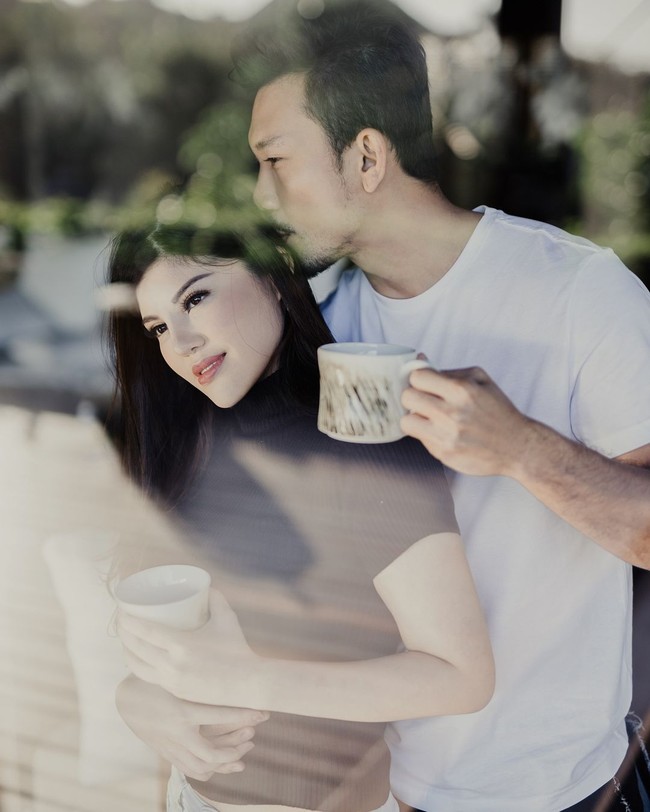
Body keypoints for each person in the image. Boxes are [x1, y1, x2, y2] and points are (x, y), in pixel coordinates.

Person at [227, 3, 650, 811]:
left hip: (561, 793)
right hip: (381, 789)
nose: (261, 193)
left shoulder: (579, 292)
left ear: (368, 156)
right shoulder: (314, 318)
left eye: (277, 159)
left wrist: (520, 448)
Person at [108, 222, 495, 812]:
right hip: (190, 798)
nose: (180, 341)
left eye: (196, 297)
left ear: (272, 273)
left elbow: (460, 676)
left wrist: (237, 679)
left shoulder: (358, 431)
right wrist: (138, 699)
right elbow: (172, 639)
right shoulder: (184, 434)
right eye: (158, 327)